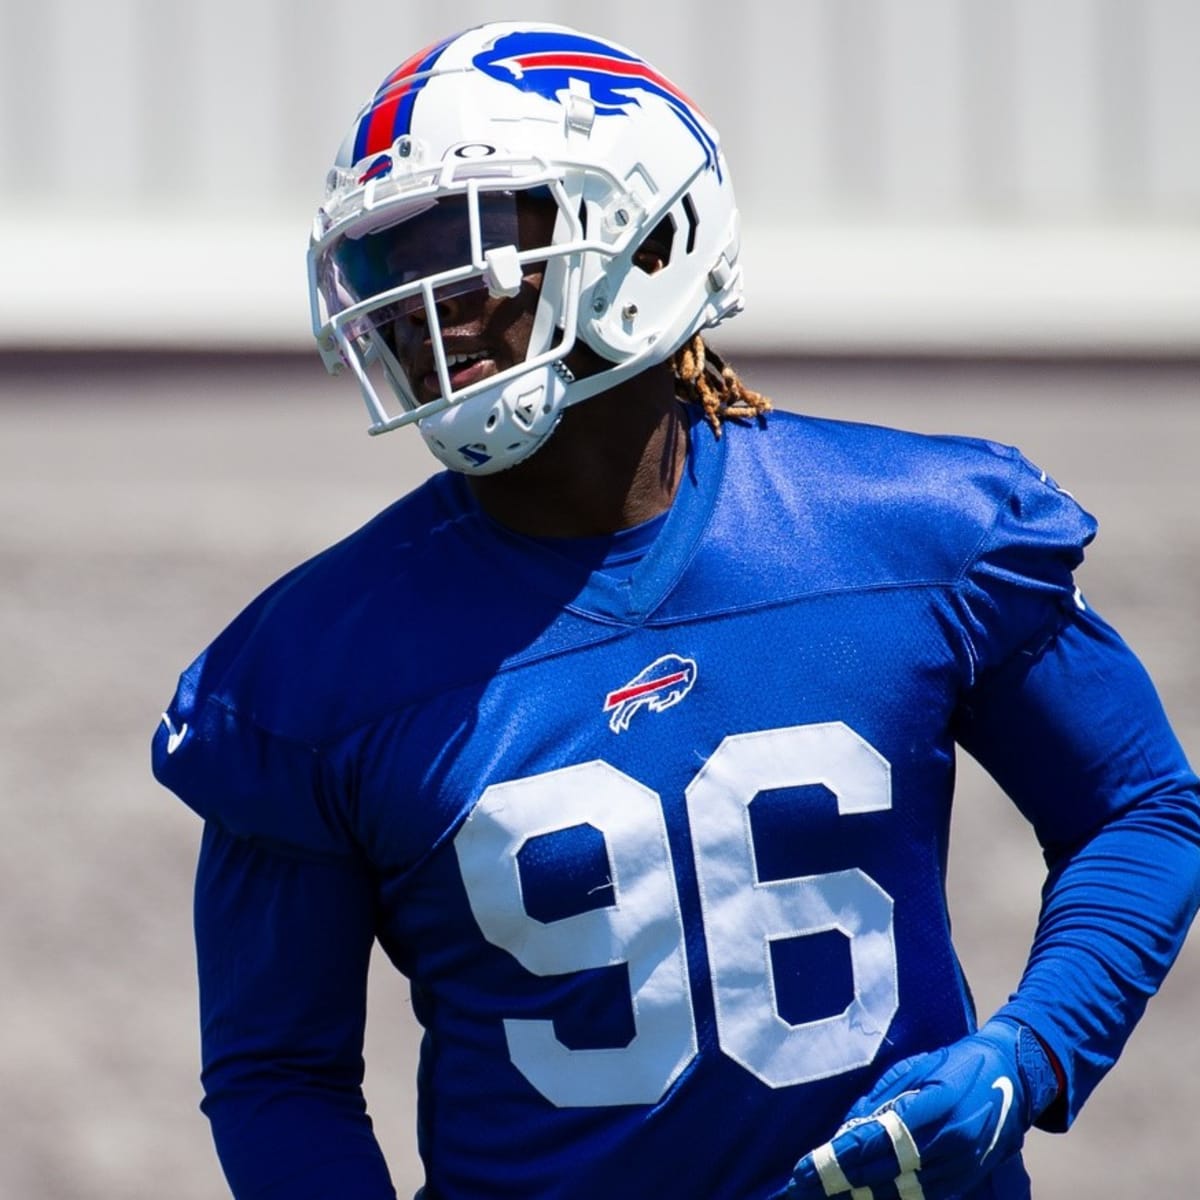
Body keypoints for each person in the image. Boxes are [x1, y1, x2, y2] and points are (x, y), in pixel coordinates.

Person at [152, 20, 1200, 1200]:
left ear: (647, 241)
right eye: (388, 262)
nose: (416, 302)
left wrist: (1032, 1051)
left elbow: (1145, 807)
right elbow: (276, 1072)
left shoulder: (916, 530)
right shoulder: (306, 674)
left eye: (470, 241)